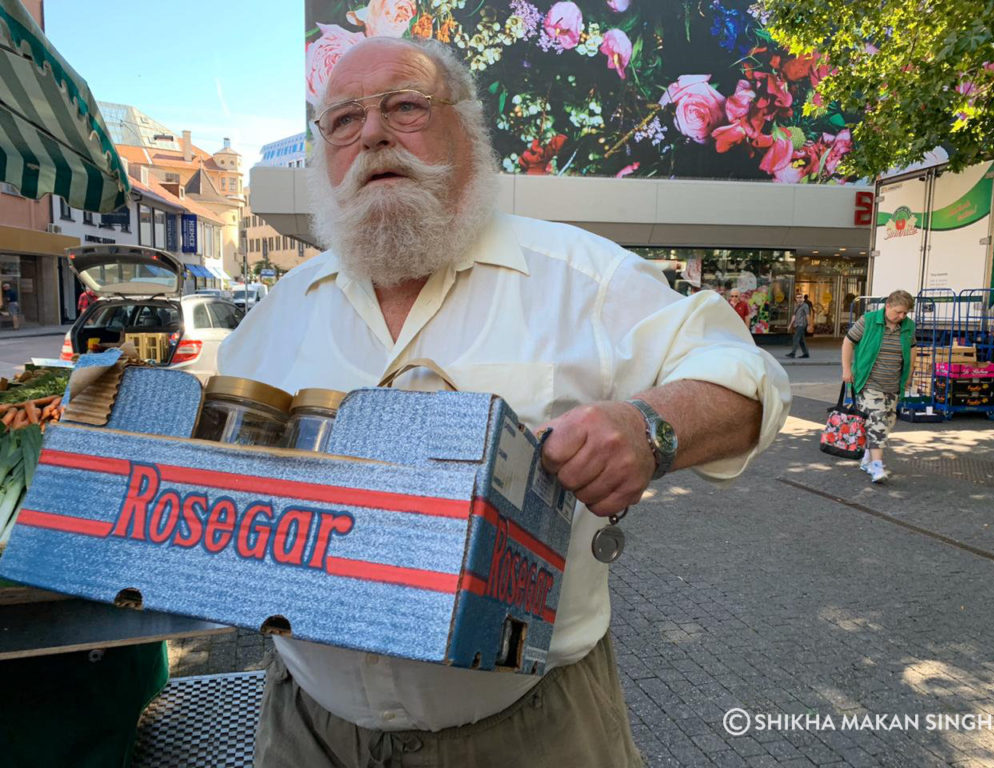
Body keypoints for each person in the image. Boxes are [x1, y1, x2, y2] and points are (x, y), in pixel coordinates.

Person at [218, 36, 790, 768]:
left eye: (404, 106)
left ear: (468, 131)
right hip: (307, 728)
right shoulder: (280, 309)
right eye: (342, 120)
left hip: (531, 731)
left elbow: (748, 377)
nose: (373, 134)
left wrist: (649, 428)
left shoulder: (579, 275)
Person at [841, 289, 916, 484]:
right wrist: (846, 369)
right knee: (878, 420)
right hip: (869, 382)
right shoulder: (869, 320)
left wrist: (909, 374)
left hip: (893, 384)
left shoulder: (908, 326)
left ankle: (867, 458)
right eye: (898, 312)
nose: (901, 317)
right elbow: (848, 342)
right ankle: (877, 466)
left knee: (887, 423)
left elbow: (912, 348)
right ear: (888, 306)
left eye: (905, 313)